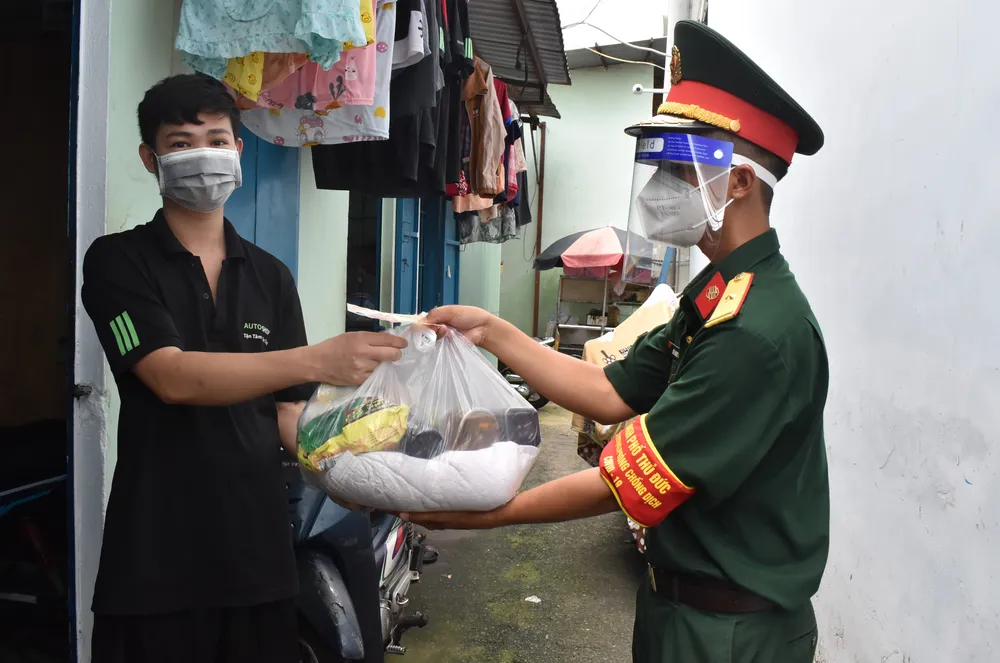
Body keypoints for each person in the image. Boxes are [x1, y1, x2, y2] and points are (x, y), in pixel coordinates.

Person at [404, 20, 829, 663]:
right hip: (677, 608)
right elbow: (607, 391)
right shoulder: (713, 298)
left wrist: (481, 516)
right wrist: (490, 329)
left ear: (738, 181)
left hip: (730, 634)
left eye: (676, 169)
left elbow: (623, 483)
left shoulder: (757, 332)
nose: (659, 188)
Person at [82, 73, 407, 663]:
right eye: (181, 143)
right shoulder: (116, 262)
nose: (202, 155)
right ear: (149, 158)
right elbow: (170, 376)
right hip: (155, 554)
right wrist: (316, 358)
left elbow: (289, 410)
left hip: (258, 554)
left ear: (239, 148)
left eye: (215, 138)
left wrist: (350, 477)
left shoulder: (270, 275)